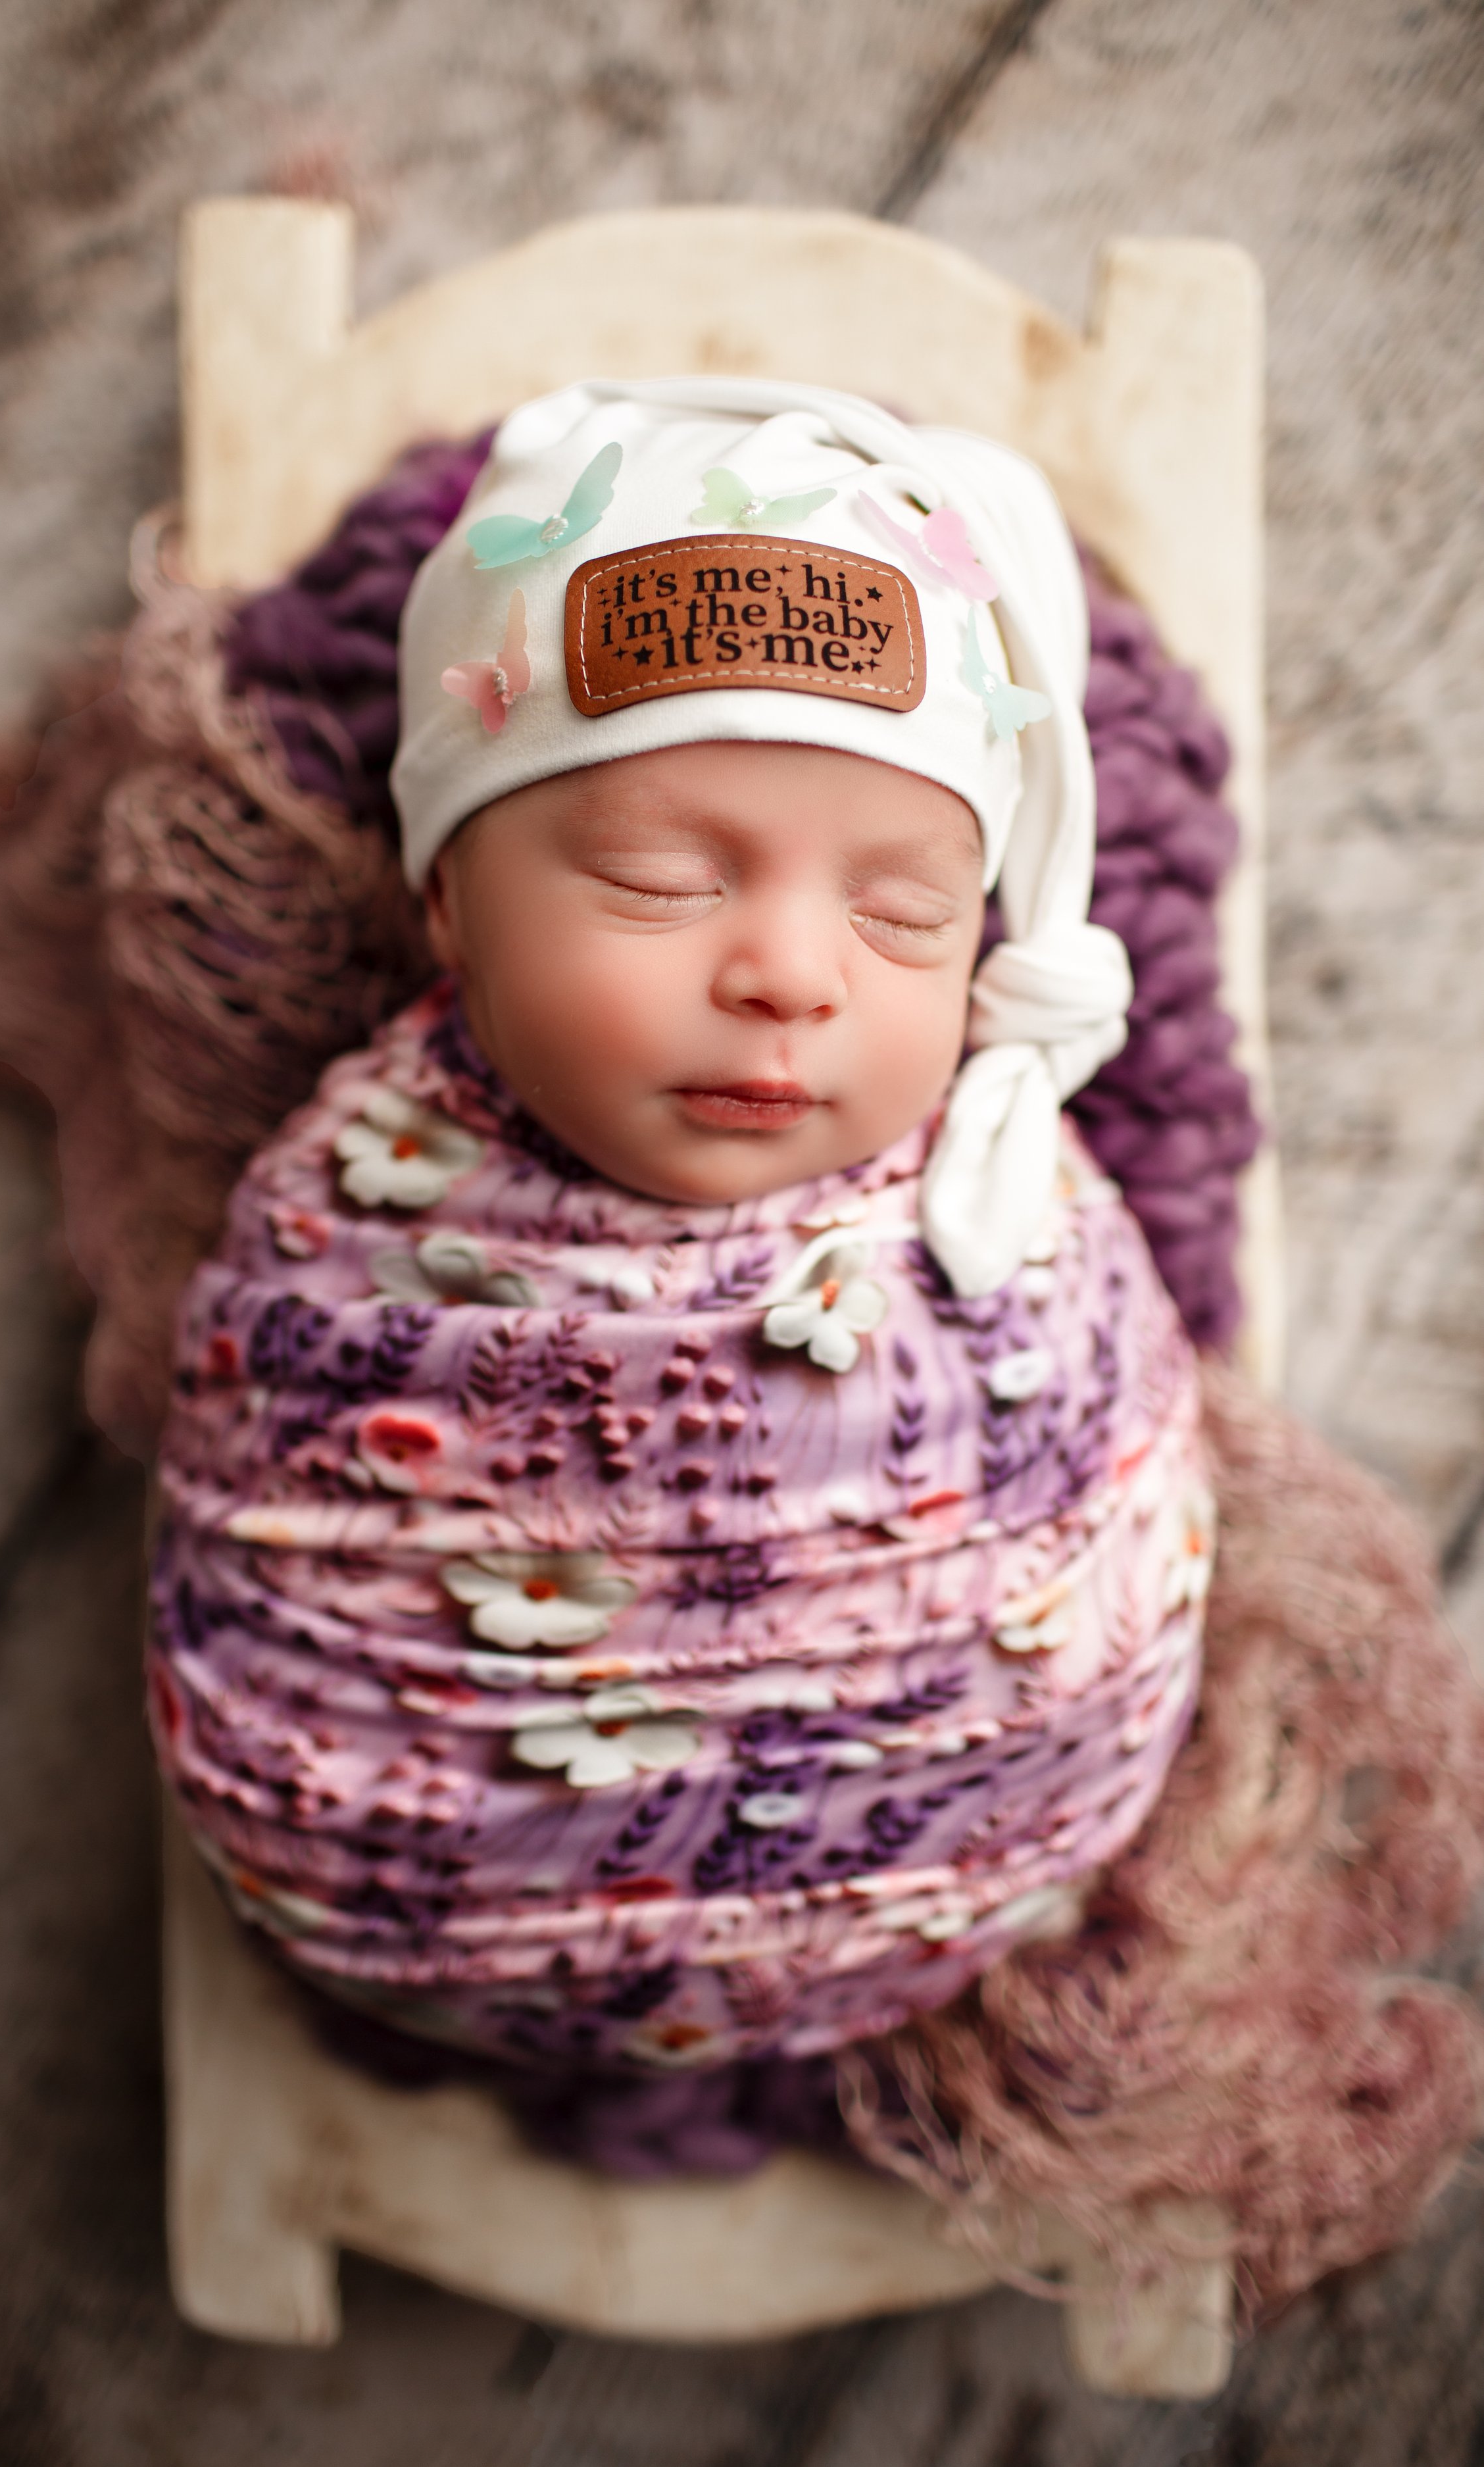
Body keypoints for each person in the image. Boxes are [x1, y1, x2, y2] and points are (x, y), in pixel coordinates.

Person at [148, 378, 1217, 2096]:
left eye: (900, 911)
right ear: (446, 905)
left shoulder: (1003, 1190)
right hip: (391, 1906)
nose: (791, 974)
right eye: (657, 881)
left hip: (957, 1893)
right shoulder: (338, 1215)